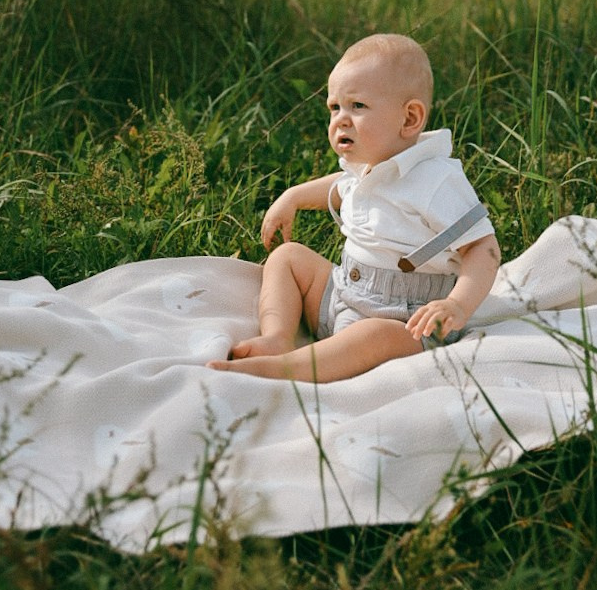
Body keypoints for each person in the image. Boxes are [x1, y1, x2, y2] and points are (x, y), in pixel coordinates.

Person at [208, 32, 500, 382]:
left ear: (409, 119)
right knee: (287, 258)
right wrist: (293, 197)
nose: (341, 119)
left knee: (372, 337)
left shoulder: (436, 180)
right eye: (335, 107)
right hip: (344, 291)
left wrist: (457, 304)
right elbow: (339, 186)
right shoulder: (368, 165)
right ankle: (278, 337)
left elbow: (483, 247)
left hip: (406, 319)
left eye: (357, 106)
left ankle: (288, 369)